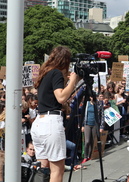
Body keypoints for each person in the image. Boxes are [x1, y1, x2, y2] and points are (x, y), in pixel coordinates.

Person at [31, 46, 79, 182]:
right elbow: (61, 97)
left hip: (39, 123)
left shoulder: (44, 73)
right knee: (57, 170)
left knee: (43, 168)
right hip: (50, 123)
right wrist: (73, 80)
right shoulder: (56, 73)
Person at [81, 96, 97, 164]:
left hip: (94, 124)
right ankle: (85, 156)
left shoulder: (97, 104)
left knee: (92, 141)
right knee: (87, 141)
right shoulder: (87, 104)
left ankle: (90, 155)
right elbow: (83, 114)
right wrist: (82, 125)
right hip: (87, 123)